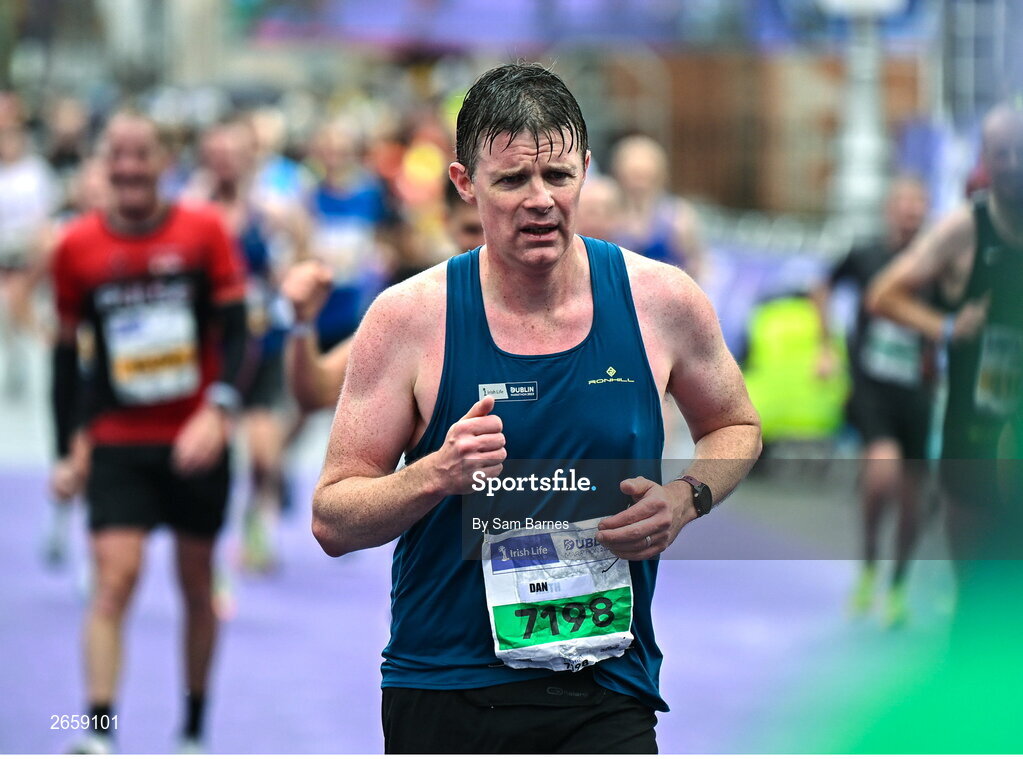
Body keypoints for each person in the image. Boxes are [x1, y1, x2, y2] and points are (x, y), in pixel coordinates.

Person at [311, 63, 761, 754]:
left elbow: (735, 425)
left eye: (557, 176)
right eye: (512, 180)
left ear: (585, 170)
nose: (540, 200)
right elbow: (333, 519)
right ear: (464, 184)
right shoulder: (407, 319)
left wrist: (685, 496)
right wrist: (435, 473)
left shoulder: (661, 302)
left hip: (606, 685)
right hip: (447, 685)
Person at [50, 111, 248, 754]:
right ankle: (98, 732)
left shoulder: (203, 232)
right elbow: (64, 359)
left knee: (197, 586)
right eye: (118, 154)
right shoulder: (75, 247)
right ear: (102, 162)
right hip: (118, 441)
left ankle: (192, 729)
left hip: (196, 439)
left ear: (165, 160)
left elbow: (241, 332)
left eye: (143, 154)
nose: (130, 166)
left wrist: (217, 412)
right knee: (114, 580)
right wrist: (65, 449)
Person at [185, 117, 309, 572]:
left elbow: (301, 254)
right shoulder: (192, 209)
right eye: (217, 156)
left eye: (234, 155)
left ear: (250, 158)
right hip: (211, 349)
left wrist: (288, 273)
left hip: (263, 344)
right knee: (211, 452)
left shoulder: (272, 209)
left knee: (261, 454)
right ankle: (203, 543)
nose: (225, 164)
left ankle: (257, 513)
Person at [812, 176, 933, 627]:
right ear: (889, 209)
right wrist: (825, 346)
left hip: (918, 390)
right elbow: (821, 286)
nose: (910, 212)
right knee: (882, 469)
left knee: (913, 498)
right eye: (903, 203)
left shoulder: (934, 261)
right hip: (871, 383)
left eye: (918, 204)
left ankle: (898, 586)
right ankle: (868, 565)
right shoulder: (867, 254)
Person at [283, 178, 484, 412]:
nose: (486, 245)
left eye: (494, 227)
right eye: (472, 230)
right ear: (446, 222)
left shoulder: (537, 306)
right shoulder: (418, 303)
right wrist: (302, 322)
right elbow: (318, 392)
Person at [609, 133, 706, 283]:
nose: (638, 184)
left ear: (658, 175)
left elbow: (698, 267)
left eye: (644, 175)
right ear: (620, 175)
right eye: (633, 174)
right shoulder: (609, 213)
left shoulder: (678, 216)